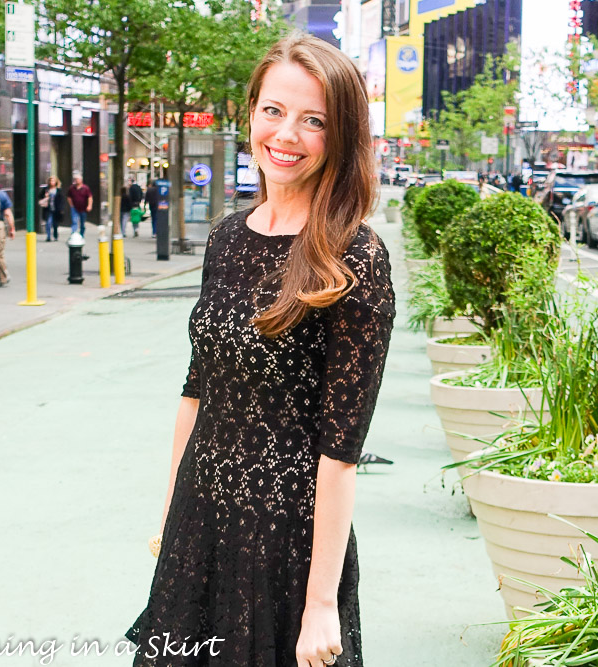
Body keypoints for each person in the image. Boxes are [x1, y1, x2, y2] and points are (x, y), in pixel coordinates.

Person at [125, 34, 395, 667]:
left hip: (285, 542)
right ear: (251, 112)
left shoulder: (353, 255)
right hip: (201, 520)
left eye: (314, 121)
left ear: (341, 135)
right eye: (274, 111)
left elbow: (341, 449)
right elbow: (198, 390)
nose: (287, 135)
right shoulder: (225, 239)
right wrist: (170, 513)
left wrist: (321, 603)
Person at [67, 172, 93, 237]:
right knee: (74, 221)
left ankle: (81, 234)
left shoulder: (85, 188)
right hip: (74, 208)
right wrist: (71, 205)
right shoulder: (71, 188)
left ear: (81, 180)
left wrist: (89, 205)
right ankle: (74, 234)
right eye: (75, 179)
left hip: (83, 208)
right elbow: (69, 197)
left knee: (82, 223)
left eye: (78, 179)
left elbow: (90, 197)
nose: (76, 181)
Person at [40, 175, 64, 241]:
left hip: (56, 209)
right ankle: (48, 236)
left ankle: (55, 236)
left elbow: (61, 200)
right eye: (50, 180)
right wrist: (45, 197)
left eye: (53, 180)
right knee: (48, 222)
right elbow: (40, 196)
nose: (51, 182)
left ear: (56, 182)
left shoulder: (58, 190)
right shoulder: (46, 189)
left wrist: (61, 209)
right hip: (48, 209)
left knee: (55, 224)